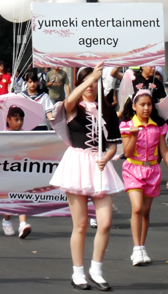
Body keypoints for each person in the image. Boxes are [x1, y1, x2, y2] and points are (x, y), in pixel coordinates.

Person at [49, 63, 123, 291]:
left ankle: (96, 269)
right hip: (77, 164)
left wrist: (107, 156)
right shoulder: (72, 107)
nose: (91, 86)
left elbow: (113, 144)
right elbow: (69, 100)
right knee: (80, 225)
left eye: (94, 82)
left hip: (99, 166)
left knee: (106, 222)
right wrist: (90, 78)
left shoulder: (107, 109)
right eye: (86, 81)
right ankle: (78, 272)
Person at [119, 90, 168, 266]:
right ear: (134, 106)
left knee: (145, 212)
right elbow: (127, 152)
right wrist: (134, 135)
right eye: (142, 104)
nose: (146, 108)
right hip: (133, 169)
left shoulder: (157, 126)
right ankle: (136, 249)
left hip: (152, 171)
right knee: (136, 208)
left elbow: (164, 151)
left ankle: (142, 247)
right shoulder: (128, 126)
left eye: (149, 104)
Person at [2, 106, 32, 238]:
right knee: (11, 197)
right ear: (8, 120)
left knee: (21, 194)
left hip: (23, 170)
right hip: (7, 171)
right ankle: (6, 220)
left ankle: (22, 224)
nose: (19, 123)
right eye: (16, 119)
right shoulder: (2, 135)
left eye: (21, 120)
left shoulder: (26, 134)